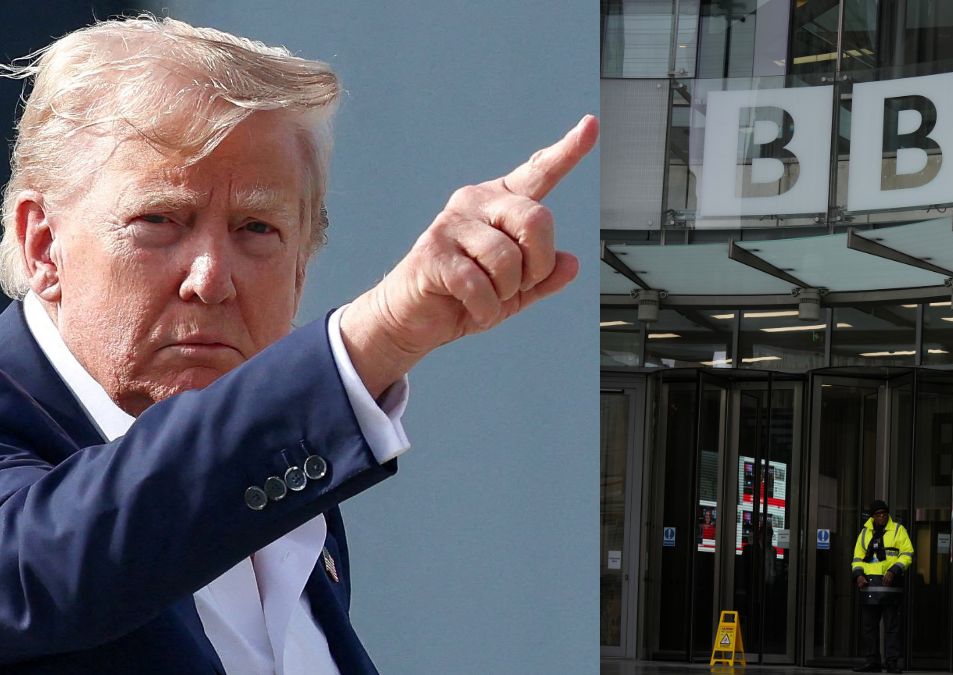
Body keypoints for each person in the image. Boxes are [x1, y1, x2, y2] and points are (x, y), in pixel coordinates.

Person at [0, 15, 595, 673]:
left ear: (303, 268)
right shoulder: (282, 450)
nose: (212, 279)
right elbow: (49, 563)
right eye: (160, 221)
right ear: (42, 243)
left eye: (256, 227)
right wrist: (377, 335)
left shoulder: (286, 481)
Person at [851, 499, 914, 674]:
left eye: (884, 514)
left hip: (890, 586)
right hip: (869, 586)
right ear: (872, 517)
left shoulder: (898, 530)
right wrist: (858, 576)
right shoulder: (865, 533)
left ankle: (892, 662)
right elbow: (857, 558)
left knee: (892, 627)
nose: (882, 517)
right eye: (878, 514)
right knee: (869, 627)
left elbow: (907, 554)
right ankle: (872, 661)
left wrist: (894, 570)